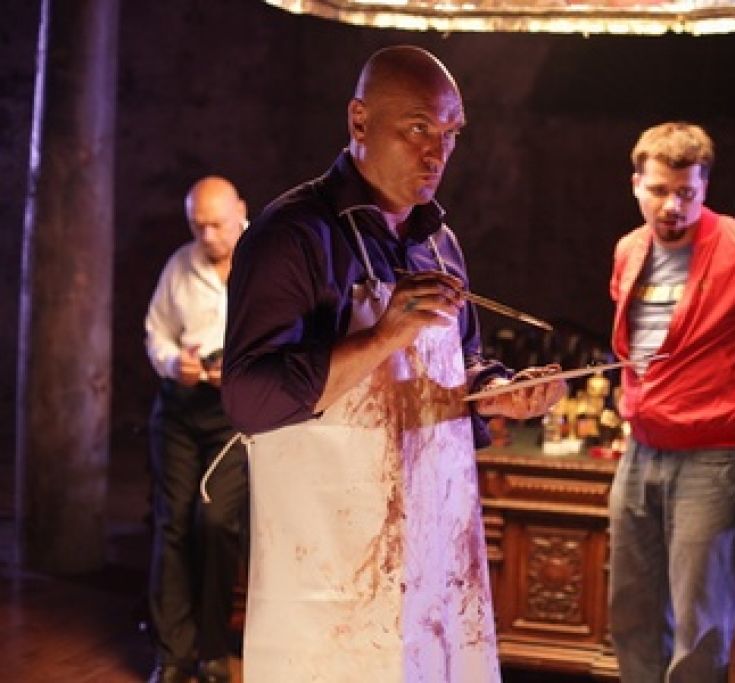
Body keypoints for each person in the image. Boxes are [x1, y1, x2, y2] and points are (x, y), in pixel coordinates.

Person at [221, 45, 565, 683]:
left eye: (450, 133)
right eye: (417, 129)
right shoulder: (291, 235)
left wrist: (495, 391)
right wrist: (383, 336)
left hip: (432, 558)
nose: (437, 153)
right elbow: (248, 397)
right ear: (359, 121)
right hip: (331, 566)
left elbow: (459, 363)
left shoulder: (440, 243)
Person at [607, 122, 735, 682]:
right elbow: (640, 344)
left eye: (686, 192)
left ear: (705, 187)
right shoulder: (630, 249)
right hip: (641, 450)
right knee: (632, 613)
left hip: (714, 455)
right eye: (659, 190)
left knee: (699, 626)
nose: (672, 205)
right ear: (637, 184)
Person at [144, 176, 250, 683]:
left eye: (216, 225)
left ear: (240, 212)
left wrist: (246, 370)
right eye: (197, 226)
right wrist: (173, 363)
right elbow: (157, 333)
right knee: (172, 525)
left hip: (236, 413)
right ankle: (171, 655)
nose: (207, 236)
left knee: (215, 522)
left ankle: (212, 649)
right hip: (180, 407)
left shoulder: (265, 258)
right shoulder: (179, 265)